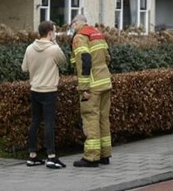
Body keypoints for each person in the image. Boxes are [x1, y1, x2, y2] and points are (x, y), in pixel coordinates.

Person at [21, 20, 67, 169]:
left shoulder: (29, 48)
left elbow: (24, 69)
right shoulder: (53, 49)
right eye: (54, 31)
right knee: (48, 123)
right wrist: (55, 43)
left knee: (35, 121)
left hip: (35, 89)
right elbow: (63, 62)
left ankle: (32, 156)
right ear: (50, 33)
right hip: (49, 90)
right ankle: (51, 157)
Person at [69, 14, 113, 168]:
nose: (72, 29)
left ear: (76, 23)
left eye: (72, 25)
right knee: (103, 118)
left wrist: (84, 88)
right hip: (105, 82)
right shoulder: (97, 34)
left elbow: (84, 61)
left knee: (90, 118)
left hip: (92, 85)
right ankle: (105, 155)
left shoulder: (80, 37)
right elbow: (108, 57)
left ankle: (91, 157)